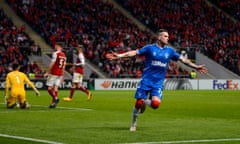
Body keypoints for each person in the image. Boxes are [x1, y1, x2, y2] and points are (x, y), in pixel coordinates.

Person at [106, 29, 208, 132]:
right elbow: (134, 53)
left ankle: (144, 103)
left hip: (158, 83)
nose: (167, 38)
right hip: (146, 80)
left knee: (155, 105)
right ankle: (133, 124)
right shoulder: (149, 48)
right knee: (138, 102)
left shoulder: (170, 51)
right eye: (165, 36)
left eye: (168, 37)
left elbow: (183, 60)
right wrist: (119, 55)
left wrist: (196, 67)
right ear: (159, 37)